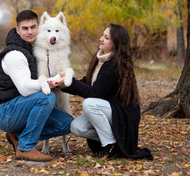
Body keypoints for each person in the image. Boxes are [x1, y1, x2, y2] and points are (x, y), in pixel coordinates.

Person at [50, 24, 153, 160]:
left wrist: (70, 82)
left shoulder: (115, 65)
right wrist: (63, 84)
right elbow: (88, 82)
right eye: (102, 35)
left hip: (121, 113)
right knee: (76, 127)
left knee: (89, 103)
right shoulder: (101, 59)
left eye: (106, 37)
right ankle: (116, 140)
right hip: (107, 110)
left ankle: (109, 143)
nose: (101, 39)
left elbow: (94, 93)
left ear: (116, 44)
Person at [0, 10, 74, 162]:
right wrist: (51, 81)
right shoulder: (14, 54)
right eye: (25, 28)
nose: (30, 32)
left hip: (24, 106)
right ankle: (25, 147)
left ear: (39, 27)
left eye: (33, 27)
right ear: (18, 30)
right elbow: (25, 88)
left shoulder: (36, 49)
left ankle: (19, 135)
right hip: (6, 111)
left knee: (67, 123)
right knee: (45, 98)